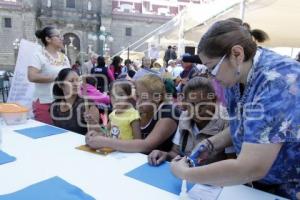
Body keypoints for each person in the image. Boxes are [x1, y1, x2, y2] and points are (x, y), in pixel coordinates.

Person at [170, 19, 300, 200]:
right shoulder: (236, 74)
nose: (210, 76)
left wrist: (185, 173)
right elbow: (247, 126)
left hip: (289, 187)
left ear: (237, 54)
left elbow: (251, 167)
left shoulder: (279, 83)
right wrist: (211, 143)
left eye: (212, 68)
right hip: (257, 186)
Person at [85, 74, 181, 153]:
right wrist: (97, 133)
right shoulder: (140, 109)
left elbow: (146, 145)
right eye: (137, 96)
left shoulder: (168, 112)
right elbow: (110, 131)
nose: (138, 102)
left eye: (143, 98)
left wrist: (106, 142)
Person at [148, 77, 228, 166]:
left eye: (203, 105)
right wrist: (165, 154)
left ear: (214, 100)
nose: (196, 110)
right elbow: (175, 152)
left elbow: (231, 162)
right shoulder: (184, 117)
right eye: (191, 104)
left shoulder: (227, 121)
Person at [28, 26, 70, 124]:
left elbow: (69, 76)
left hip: (63, 102)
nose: (62, 38)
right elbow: (32, 76)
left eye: (61, 36)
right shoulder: (38, 55)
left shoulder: (64, 57)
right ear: (48, 39)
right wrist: (57, 79)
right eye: (58, 36)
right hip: (45, 102)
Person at [51, 68, 99, 135]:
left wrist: (92, 122)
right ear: (60, 85)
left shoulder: (87, 105)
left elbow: (96, 134)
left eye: (78, 80)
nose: (76, 84)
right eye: (71, 81)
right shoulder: (55, 106)